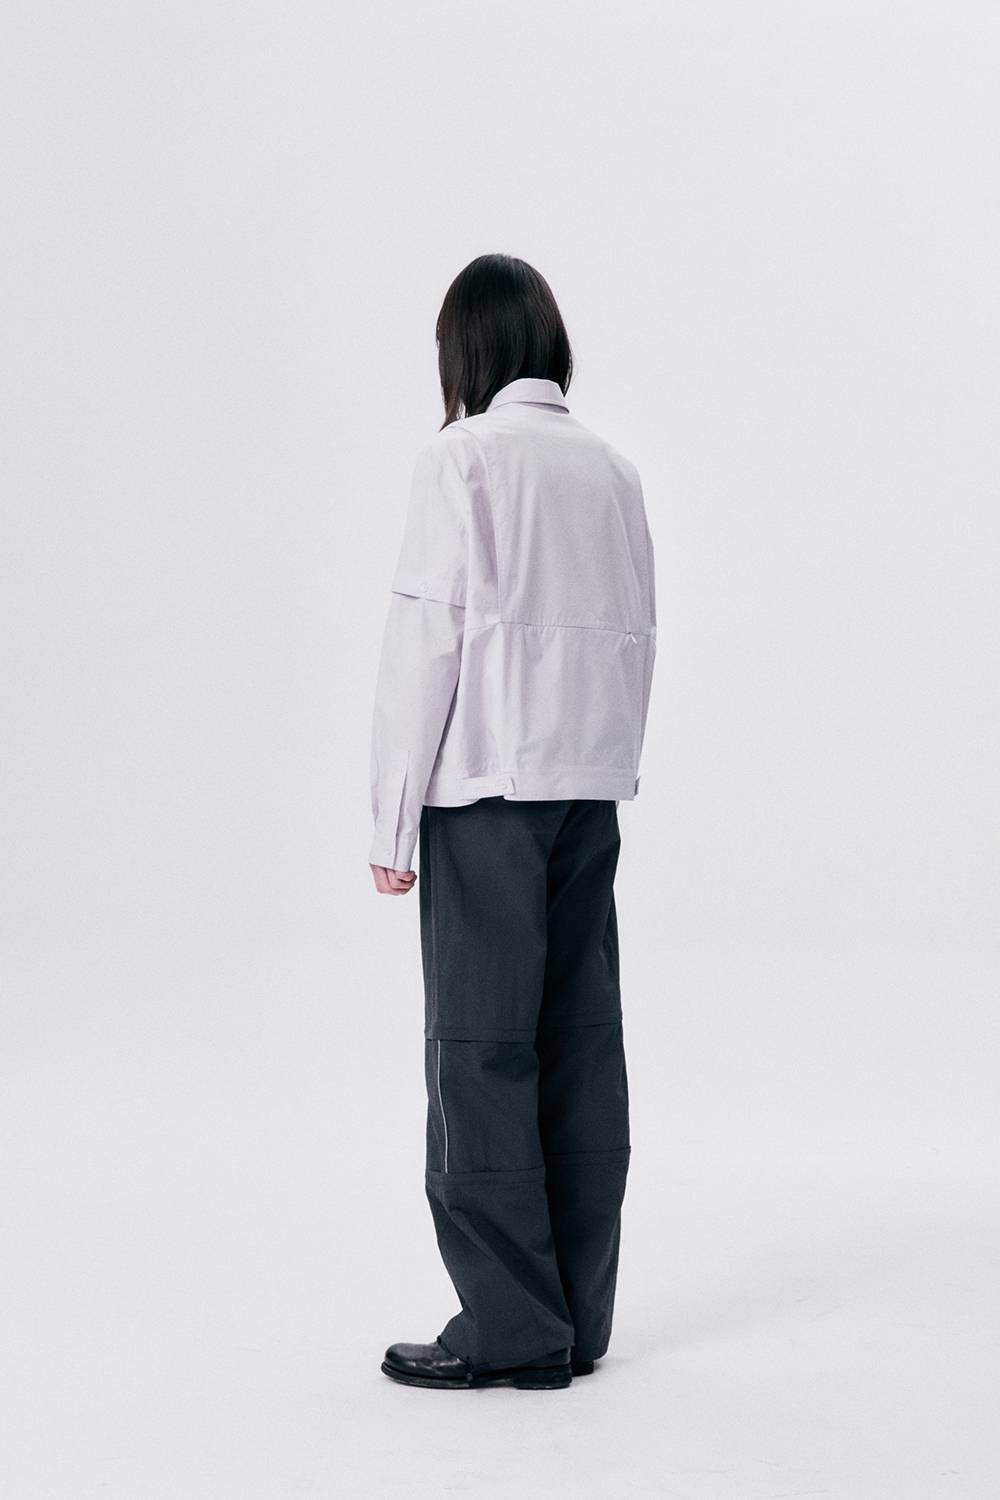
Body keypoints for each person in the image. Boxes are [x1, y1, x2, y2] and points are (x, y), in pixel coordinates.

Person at [367, 253, 657, 1391]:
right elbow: (638, 635)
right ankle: (575, 1318)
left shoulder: (464, 459)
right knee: (580, 1045)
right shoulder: (613, 471)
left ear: (466, 350)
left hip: (486, 792)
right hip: (589, 790)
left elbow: (424, 639)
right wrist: (610, 764)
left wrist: (392, 820)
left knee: (481, 1053)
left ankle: (510, 1328)